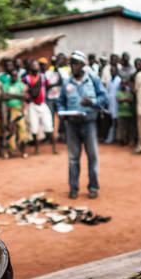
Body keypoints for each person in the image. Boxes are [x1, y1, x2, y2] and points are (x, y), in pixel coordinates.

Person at [56, 51, 107, 199]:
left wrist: (93, 103)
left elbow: (103, 97)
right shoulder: (67, 82)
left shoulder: (93, 79)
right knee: (73, 158)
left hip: (89, 123)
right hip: (72, 125)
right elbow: (61, 102)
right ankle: (73, 188)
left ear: (83, 65)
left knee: (92, 157)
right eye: (71, 63)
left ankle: (93, 187)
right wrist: (62, 113)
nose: (73, 66)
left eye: (76, 63)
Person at [24, 59, 57, 155]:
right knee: (34, 128)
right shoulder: (26, 78)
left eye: (36, 65)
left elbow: (48, 86)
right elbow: (24, 89)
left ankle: (54, 147)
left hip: (43, 104)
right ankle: (36, 149)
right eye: (33, 65)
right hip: (32, 105)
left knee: (49, 126)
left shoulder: (43, 77)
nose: (35, 66)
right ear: (30, 67)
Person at [1, 63, 28, 158]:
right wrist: (18, 95)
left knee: (22, 130)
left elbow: (24, 96)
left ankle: (23, 151)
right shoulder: (6, 85)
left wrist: (11, 95)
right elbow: (4, 96)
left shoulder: (21, 85)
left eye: (16, 75)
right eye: (12, 75)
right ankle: (10, 151)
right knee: (10, 131)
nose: (14, 77)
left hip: (19, 110)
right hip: (9, 111)